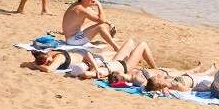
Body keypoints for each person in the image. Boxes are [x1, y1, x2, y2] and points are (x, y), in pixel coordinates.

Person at [22, 39, 156, 79]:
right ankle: (155, 67)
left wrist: (32, 64)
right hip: (123, 65)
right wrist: (34, 65)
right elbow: (49, 70)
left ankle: (144, 61)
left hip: (112, 63)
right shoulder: (58, 57)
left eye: (48, 58)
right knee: (143, 44)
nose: (50, 60)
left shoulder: (53, 54)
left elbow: (43, 61)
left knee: (131, 42)